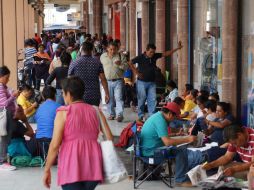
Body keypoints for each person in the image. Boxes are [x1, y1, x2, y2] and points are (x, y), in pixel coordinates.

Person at [43, 76, 113, 190]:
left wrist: (47, 170)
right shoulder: (96, 110)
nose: (63, 96)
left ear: (69, 94)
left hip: (71, 163)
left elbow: (55, 145)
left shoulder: (63, 113)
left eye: (63, 93)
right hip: (93, 163)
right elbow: (109, 138)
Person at [140, 102, 196, 186]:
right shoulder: (160, 120)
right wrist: (187, 139)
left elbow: (160, 135)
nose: (174, 120)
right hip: (151, 153)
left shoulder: (158, 116)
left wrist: (176, 134)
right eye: (175, 117)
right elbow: (167, 142)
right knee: (181, 150)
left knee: (177, 147)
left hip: (148, 149)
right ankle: (180, 180)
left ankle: (178, 175)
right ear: (170, 114)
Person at [128, 42, 183, 121]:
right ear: (146, 51)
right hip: (141, 82)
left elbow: (165, 54)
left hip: (152, 82)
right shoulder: (140, 57)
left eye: (153, 52)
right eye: (150, 52)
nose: (152, 54)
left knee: (152, 99)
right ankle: (140, 116)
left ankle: (152, 116)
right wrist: (136, 72)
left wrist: (177, 48)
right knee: (142, 99)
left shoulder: (154, 56)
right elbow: (130, 62)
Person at [68, 41, 109, 106]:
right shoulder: (97, 63)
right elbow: (103, 79)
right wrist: (107, 93)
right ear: (92, 50)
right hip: (94, 96)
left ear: (81, 49)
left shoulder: (74, 63)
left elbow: (69, 79)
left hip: (79, 96)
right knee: (93, 115)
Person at [100, 41, 129, 122]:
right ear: (107, 49)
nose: (112, 51)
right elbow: (100, 68)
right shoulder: (103, 56)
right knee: (109, 98)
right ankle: (111, 114)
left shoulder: (121, 56)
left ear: (117, 49)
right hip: (107, 81)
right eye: (111, 49)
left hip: (118, 80)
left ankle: (119, 114)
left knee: (119, 97)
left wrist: (120, 64)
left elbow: (126, 67)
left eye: (114, 49)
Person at [0, 105, 34, 171]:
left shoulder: (5, 122)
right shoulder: (16, 124)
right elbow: (31, 134)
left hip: (7, 150)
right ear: (13, 112)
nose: (22, 114)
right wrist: (25, 121)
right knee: (36, 138)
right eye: (20, 112)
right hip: (16, 150)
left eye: (22, 111)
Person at [35, 86, 61, 158]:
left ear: (43, 96)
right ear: (55, 95)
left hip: (40, 139)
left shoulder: (39, 108)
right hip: (54, 139)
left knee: (48, 158)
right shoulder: (59, 107)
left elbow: (38, 120)